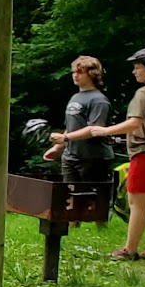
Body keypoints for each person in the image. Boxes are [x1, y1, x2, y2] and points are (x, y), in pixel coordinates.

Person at [58, 49, 145, 260]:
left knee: (137, 204)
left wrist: (105, 131)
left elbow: (135, 123)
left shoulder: (143, 93)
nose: (134, 72)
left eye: (138, 67)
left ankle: (129, 250)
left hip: (143, 155)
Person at [44, 55, 115, 188]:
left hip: (93, 159)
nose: (75, 75)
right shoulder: (75, 97)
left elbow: (94, 129)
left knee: (90, 201)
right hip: (70, 157)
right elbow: (72, 127)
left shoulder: (99, 100)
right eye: (74, 72)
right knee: (69, 199)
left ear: (92, 74)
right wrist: (57, 147)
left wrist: (65, 137)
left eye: (80, 72)